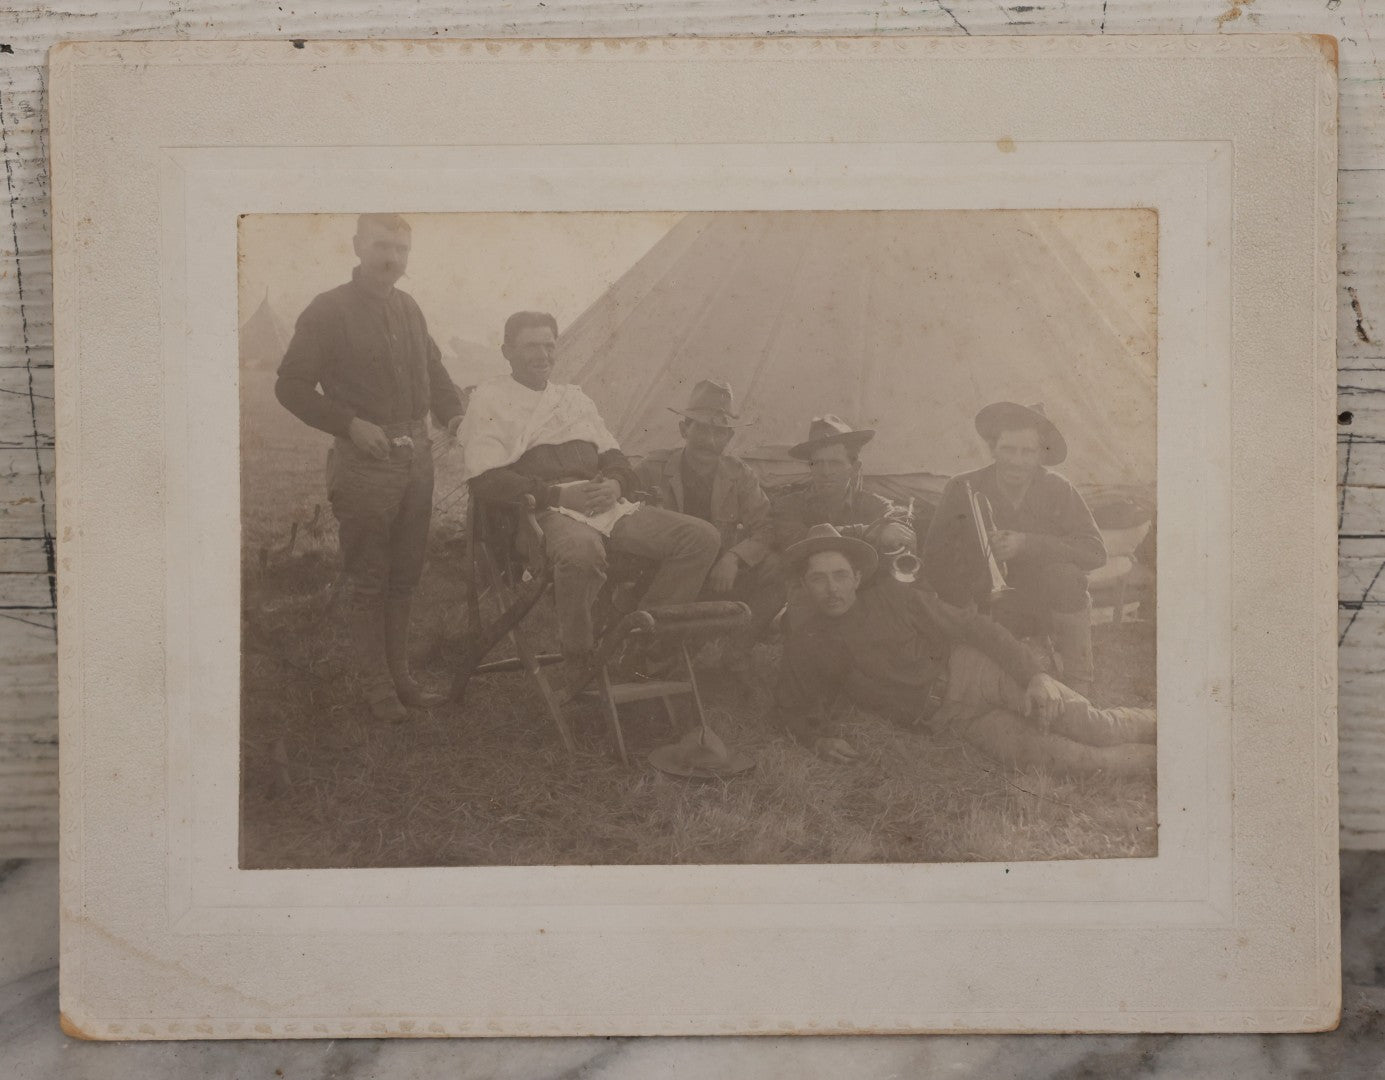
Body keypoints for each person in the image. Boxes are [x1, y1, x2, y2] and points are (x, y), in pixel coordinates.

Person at [276, 213, 465, 722]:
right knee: (368, 578)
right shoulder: (328, 310)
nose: (393, 260)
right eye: (383, 247)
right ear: (358, 246)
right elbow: (289, 386)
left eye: (402, 250)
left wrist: (455, 415)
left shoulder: (410, 308)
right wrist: (350, 424)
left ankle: (400, 675)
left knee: (404, 577)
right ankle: (376, 687)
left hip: (417, 460)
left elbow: (437, 373)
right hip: (364, 463)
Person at [775, 524, 1154, 776]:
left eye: (840, 575)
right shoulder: (809, 642)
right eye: (818, 579)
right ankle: (1159, 765)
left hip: (975, 674)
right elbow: (791, 706)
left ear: (857, 577)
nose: (832, 589)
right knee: (1070, 761)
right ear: (805, 585)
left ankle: (1169, 729)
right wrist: (818, 738)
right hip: (948, 719)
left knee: (1093, 726)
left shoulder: (895, 596)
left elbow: (974, 626)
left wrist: (1034, 675)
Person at [458, 311, 721, 670]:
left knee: (700, 537)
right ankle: (580, 661)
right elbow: (485, 480)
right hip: (539, 512)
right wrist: (557, 496)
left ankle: (639, 643)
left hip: (603, 505)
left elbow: (617, 460)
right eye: (531, 346)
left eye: (549, 345)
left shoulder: (574, 400)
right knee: (582, 552)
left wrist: (614, 484)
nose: (543, 355)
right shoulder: (489, 398)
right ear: (506, 351)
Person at [923, 402, 1106, 694]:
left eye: (1027, 452)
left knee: (1067, 577)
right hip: (984, 606)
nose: (1016, 461)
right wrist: (965, 598)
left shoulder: (1058, 489)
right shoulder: (962, 487)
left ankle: (1079, 681)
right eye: (1008, 449)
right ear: (993, 448)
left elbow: (1095, 551)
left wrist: (1027, 544)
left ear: (1039, 455)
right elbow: (934, 558)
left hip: (1043, 603)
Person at [636, 380, 780, 676]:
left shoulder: (739, 475)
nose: (709, 440)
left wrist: (733, 558)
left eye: (719, 432)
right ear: (683, 429)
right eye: (701, 429)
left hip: (715, 577)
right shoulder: (653, 468)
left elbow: (765, 527)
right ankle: (651, 646)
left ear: (728, 437)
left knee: (776, 568)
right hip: (661, 575)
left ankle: (732, 655)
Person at [769, 415, 916, 560]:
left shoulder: (877, 506)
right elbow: (799, 541)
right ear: (810, 467)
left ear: (855, 468)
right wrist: (870, 532)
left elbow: (895, 524)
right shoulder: (788, 506)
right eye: (818, 463)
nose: (825, 472)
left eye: (835, 463)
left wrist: (898, 531)